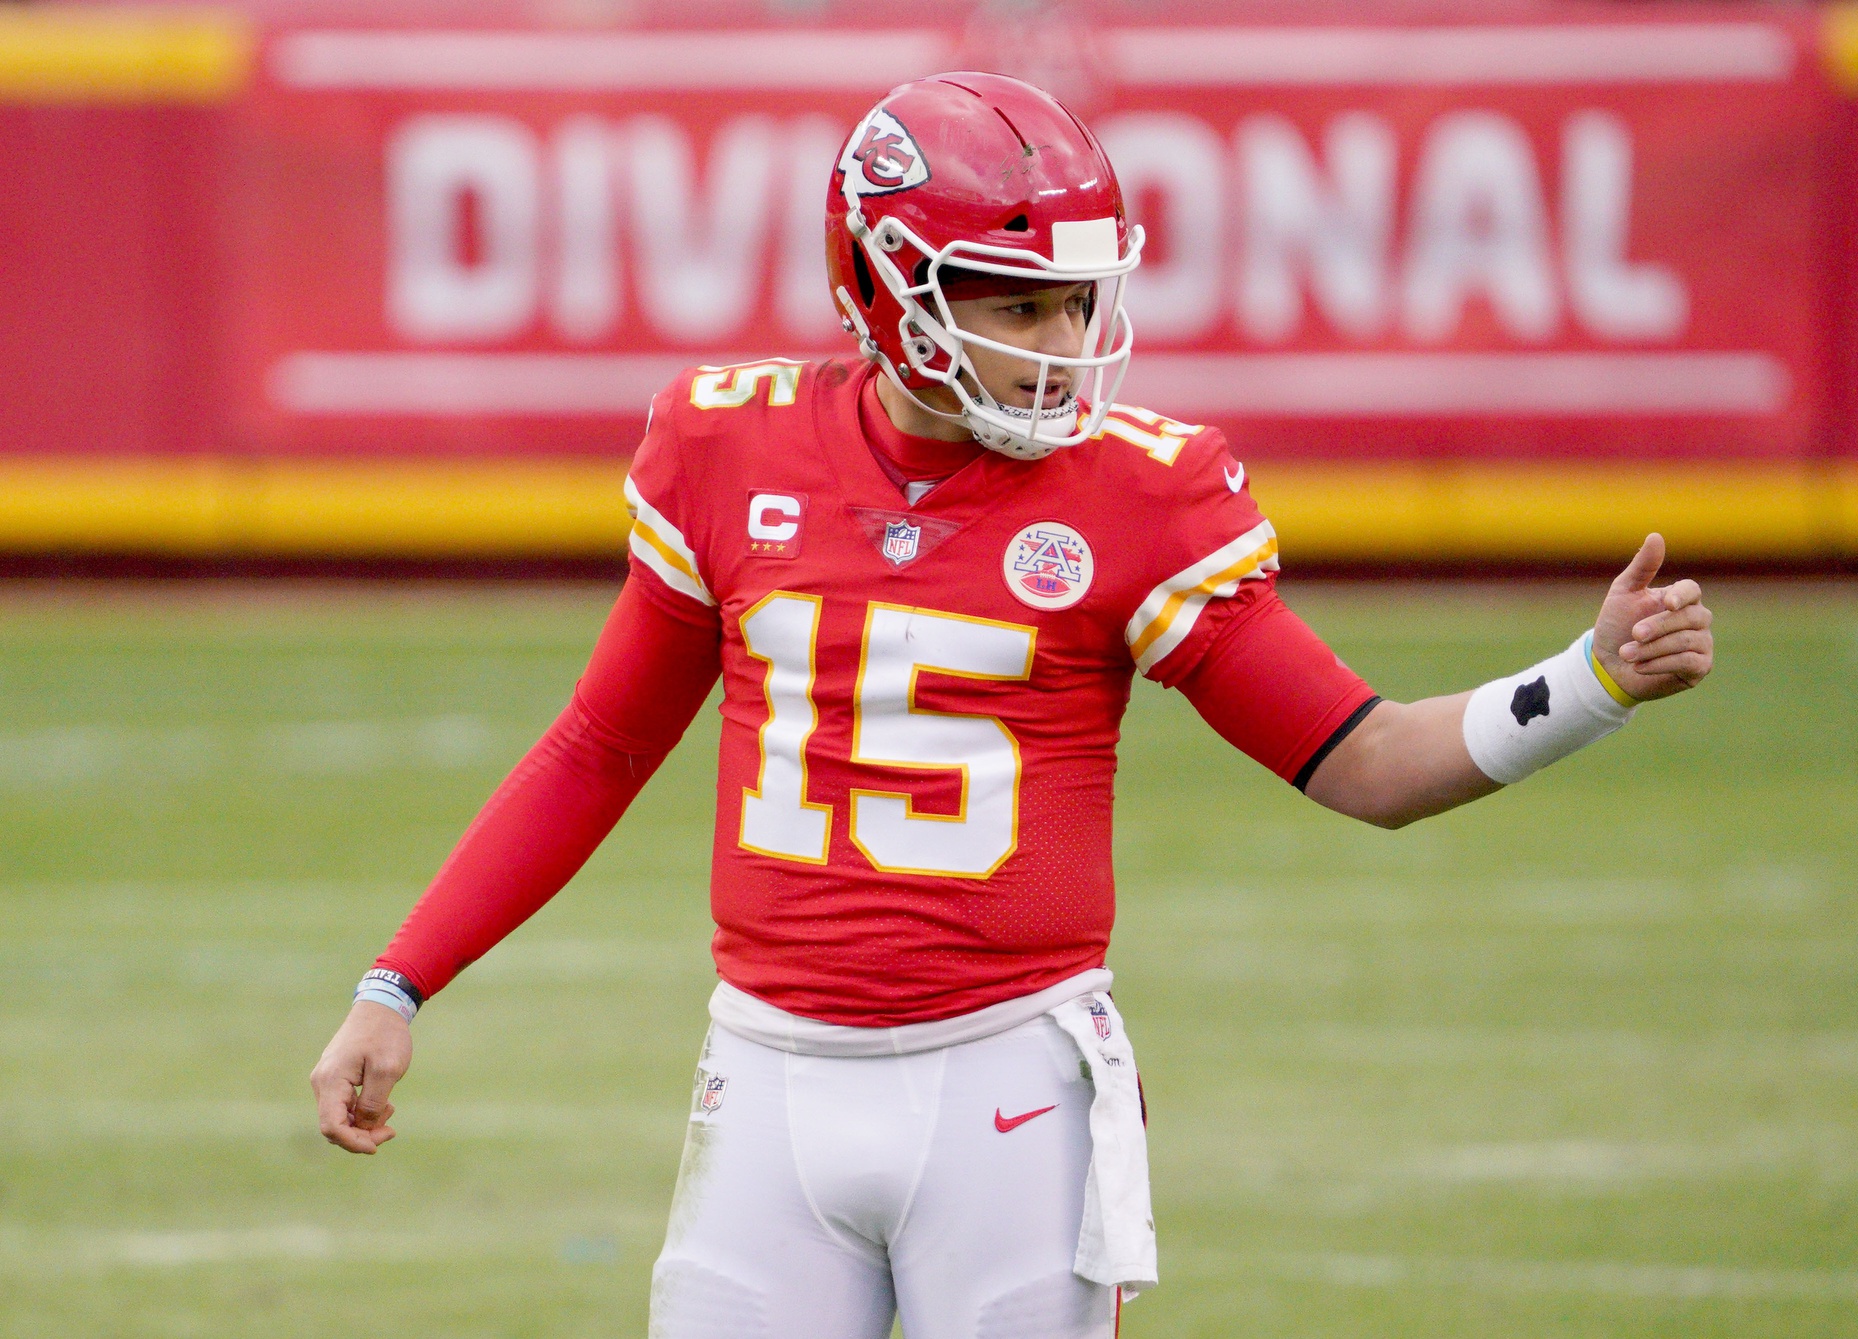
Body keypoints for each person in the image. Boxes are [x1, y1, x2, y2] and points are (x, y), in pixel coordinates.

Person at [310, 72, 1714, 1338]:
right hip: (766, 1072)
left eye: (1078, 300)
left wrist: (1584, 685)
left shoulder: (1142, 493)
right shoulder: (728, 445)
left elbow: (1367, 760)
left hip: (1011, 1090)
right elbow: (600, 745)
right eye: (1018, 301)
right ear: (880, 283)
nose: (1064, 340)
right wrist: (401, 978)